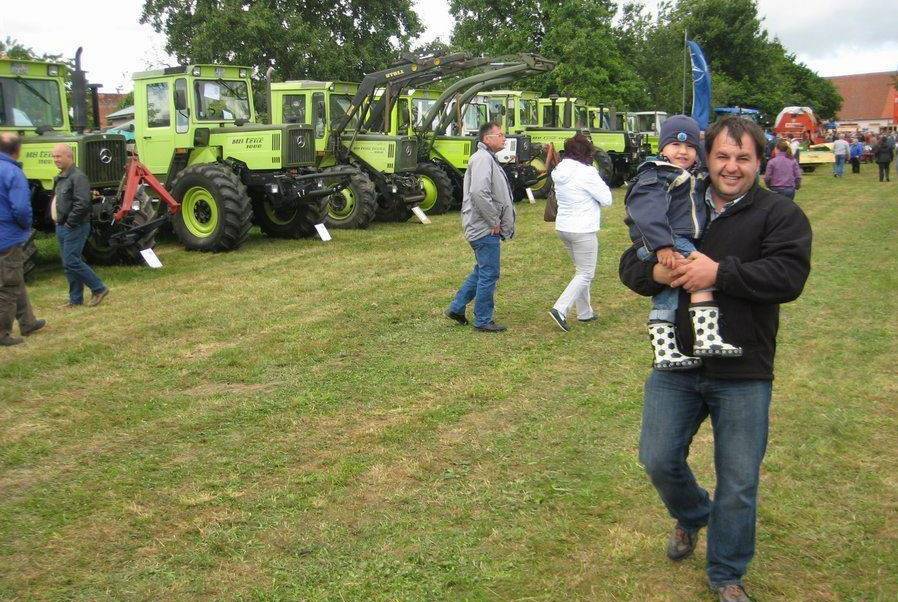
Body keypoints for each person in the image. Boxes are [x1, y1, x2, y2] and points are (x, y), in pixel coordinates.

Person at [618, 116, 812, 602]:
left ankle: (727, 573)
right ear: (709, 157)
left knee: (739, 481)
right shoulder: (678, 194)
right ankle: (694, 514)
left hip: (743, 369)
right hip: (676, 366)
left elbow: (787, 277)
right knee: (658, 458)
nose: (731, 166)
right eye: (722, 156)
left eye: (743, 158)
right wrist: (658, 275)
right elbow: (629, 263)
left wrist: (718, 273)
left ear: (760, 162)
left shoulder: (779, 214)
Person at [625, 115, 741, 370]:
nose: (683, 151)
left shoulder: (691, 174)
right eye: (675, 144)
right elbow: (646, 210)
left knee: (667, 295)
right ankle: (707, 337)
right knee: (700, 276)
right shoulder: (657, 174)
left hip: (671, 239)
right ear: (662, 148)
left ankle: (665, 351)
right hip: (669, 239)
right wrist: (662, 245)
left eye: (690, 146)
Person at [445, 122, 515, 332]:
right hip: (484, 227)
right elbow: (478, 192)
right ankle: (483, 320)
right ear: (487, 138)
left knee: (482, 270)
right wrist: (494, 221)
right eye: (500, 135)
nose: (504, 138)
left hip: (482, 225)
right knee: (489, 273)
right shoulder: (483, 159)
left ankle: (456, 308)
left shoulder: (487, 158)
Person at [547, 133, 612, 331]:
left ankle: (585, 312)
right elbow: (607, 199)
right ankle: (560, 308)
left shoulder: (559, 170)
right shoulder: (587, 172)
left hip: (564, 227)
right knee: (586, 273)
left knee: (581, 271)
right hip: (583, 229)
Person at [0, 133, 46, 346]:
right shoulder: (13, 172)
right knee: (9, 284)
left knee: (15, 277)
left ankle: (28, 322)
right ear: (17, 150)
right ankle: (3, 333)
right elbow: (21, 208)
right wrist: (26, 226)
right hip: (7, 237)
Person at [51, 143, 109, 307]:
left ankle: (99, 288)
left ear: (69, 156)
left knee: (71, 261)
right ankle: (75, 300)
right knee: (68, 264)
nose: (55, 160)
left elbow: (82, 203)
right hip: (62, 226)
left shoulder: (78, 177)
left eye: (58, 156)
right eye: (54, 157)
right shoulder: (62, 177)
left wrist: (70, 223)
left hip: (75, 226)